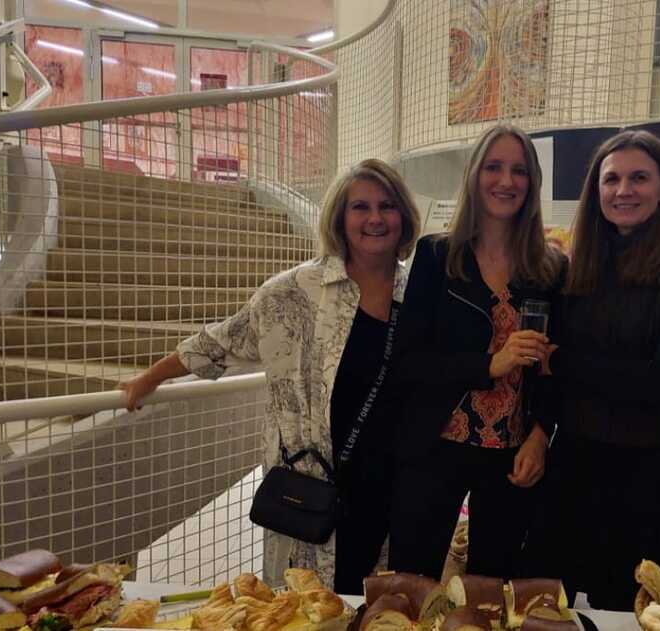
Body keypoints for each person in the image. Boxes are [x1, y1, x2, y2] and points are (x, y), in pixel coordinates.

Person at [121, 159, 421, 592]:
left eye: (387, 206)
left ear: (403, 216)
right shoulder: (296, 291)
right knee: (309, 604)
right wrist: (149, 378)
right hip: (313, 485)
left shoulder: (420, 295)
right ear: (340, 217)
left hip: (390, 485)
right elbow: (222, 340)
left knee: (380, 603)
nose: (375, 218)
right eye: (360, 207)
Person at [523, 129, 660, 610]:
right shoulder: (581, 262)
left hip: (648, 476)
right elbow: (551, 365)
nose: (623, 190)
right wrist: (539, 428)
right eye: (611, 179)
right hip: (576, 462)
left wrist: (563, 363)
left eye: (639, 178)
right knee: (542, 603)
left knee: (625, 608)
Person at [388, 124, 566, 581]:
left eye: (519, 170)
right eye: (493, 167)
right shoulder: (436, 256)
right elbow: (408, 362)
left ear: (532, 183)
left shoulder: (549, 268)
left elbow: (555, 369)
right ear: (473, 175)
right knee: (413, 584)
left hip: (511, 457)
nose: (506, 181)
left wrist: (540, 436)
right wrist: (491, 364)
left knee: (494, 589)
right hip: (435, 447)